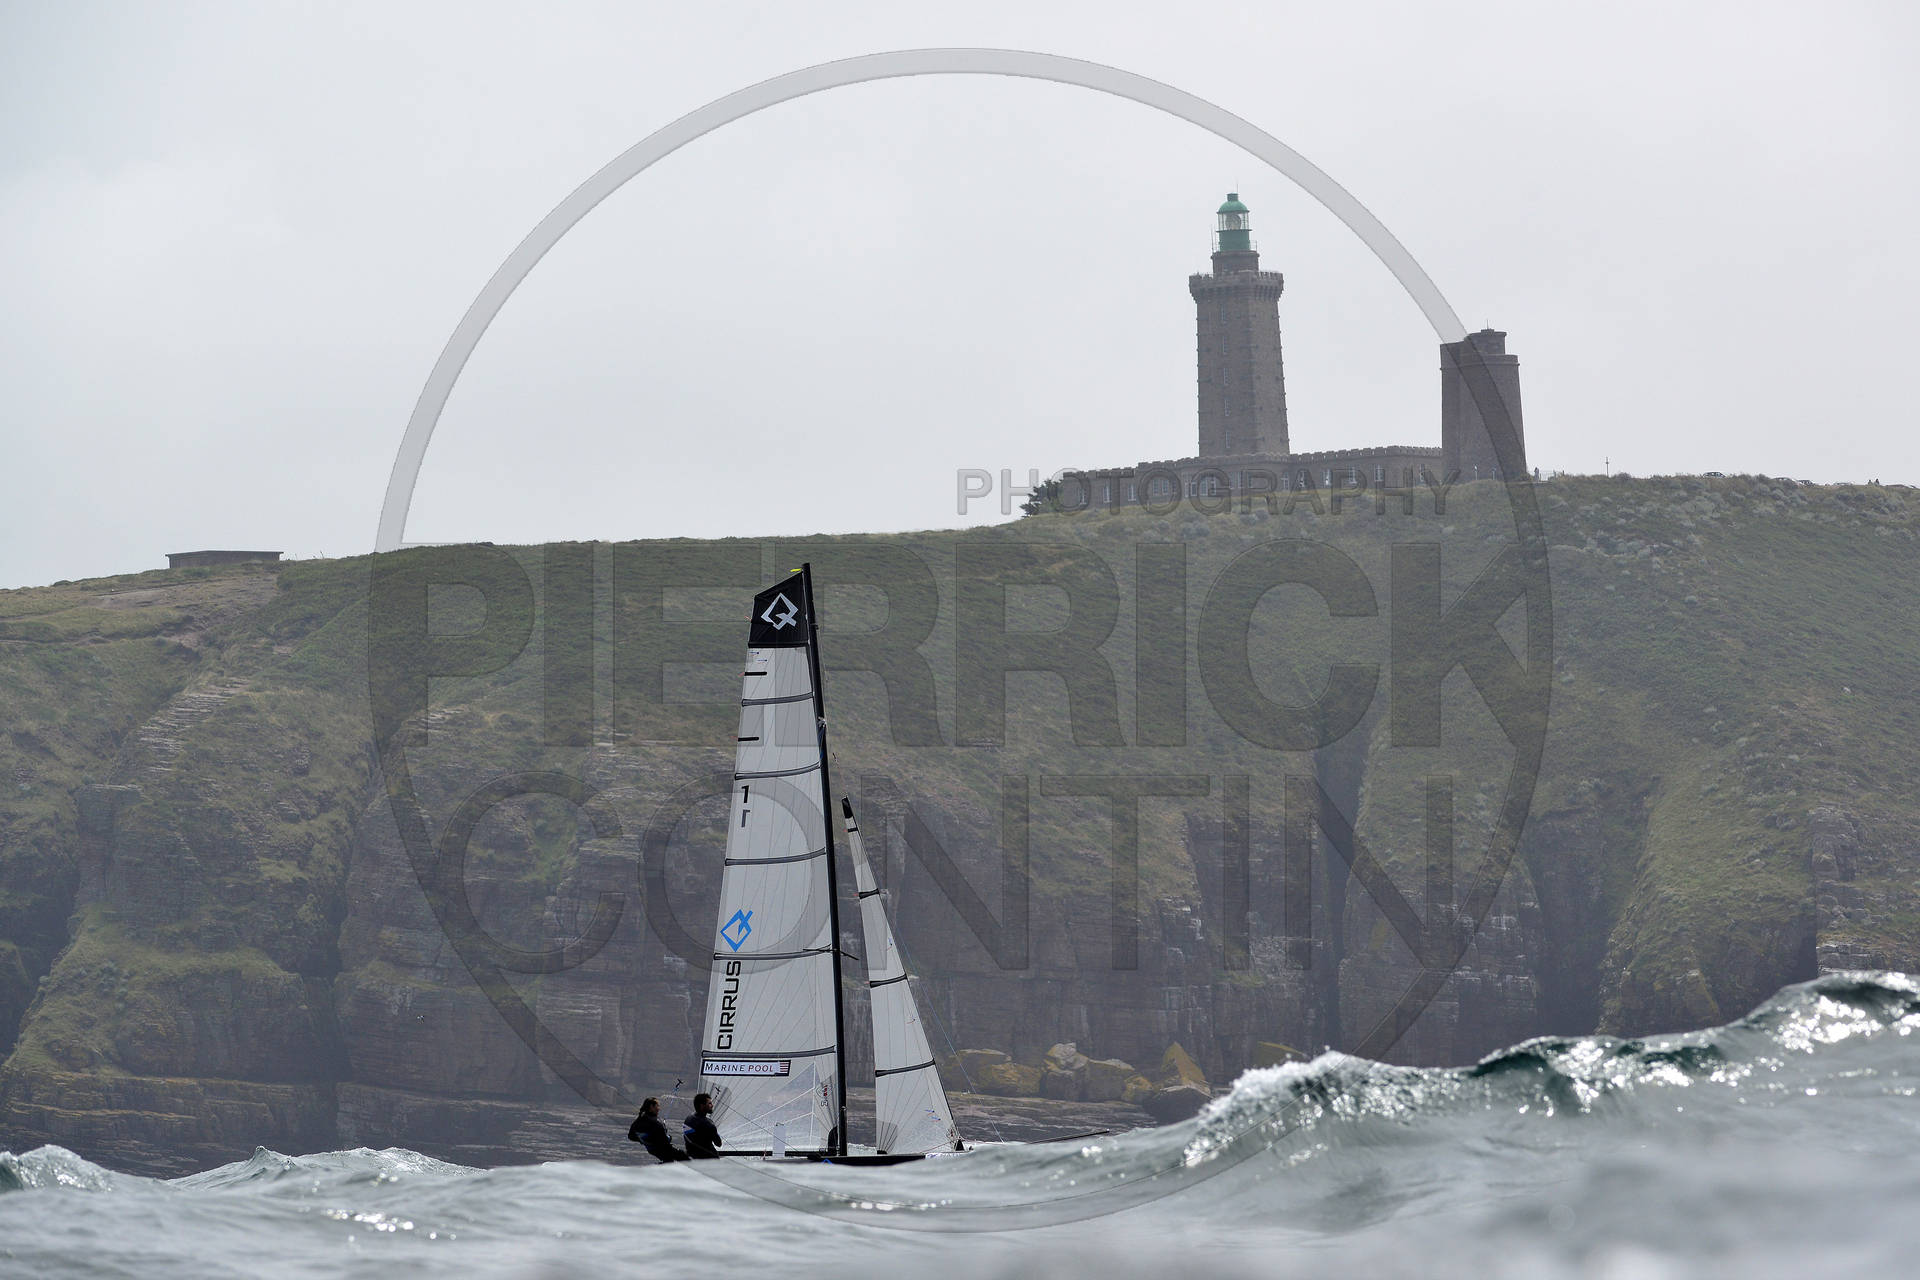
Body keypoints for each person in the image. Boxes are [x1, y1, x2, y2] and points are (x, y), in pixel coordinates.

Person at [627, 1097, 685, 1163]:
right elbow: (665, 1142)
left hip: (652, 1150)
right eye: (657, 1106)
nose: (659, 1108)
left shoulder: (638, 1121)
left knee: (669, 1160)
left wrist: (644, 1140)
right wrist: (669, 1137)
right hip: (662, 1149)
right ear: (651, 1107)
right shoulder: (654, 1123)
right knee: (682, 1155)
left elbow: (631, 1136)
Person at [683, 1092, 723, 1159]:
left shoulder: (688, 1119)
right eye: (709, 1103)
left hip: (692, 1157)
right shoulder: (709, 1124)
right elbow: (719, 1144)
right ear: (702, 1106)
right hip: (709, 1160)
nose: (712, 1105)